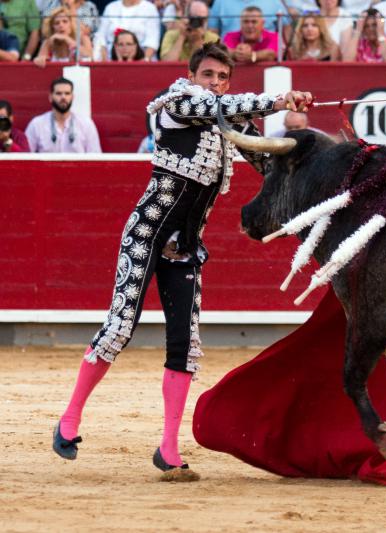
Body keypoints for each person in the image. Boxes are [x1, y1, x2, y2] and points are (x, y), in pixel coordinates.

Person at [51, 42, 314, 475]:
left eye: (222, 77)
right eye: (208, 75)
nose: (214, 84)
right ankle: (70, 418)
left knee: (185, 346)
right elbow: (222, 107)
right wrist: (281, 97)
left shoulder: (226, 123)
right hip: (146, 234)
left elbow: (270, 162)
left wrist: (301, 139)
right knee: (119, 328)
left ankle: (168, 448)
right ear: (192, 75)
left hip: (186, 246)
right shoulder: (178, 102)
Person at [25, 78, 102, 153]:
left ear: (72, 97)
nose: (63, 97)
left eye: (67, 93)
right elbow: (25, 156)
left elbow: (96, 157)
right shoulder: (37, 124)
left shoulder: (86, 124)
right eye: (59, 93)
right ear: (50, 97)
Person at [94, 0, 161, 60]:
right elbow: (101, 36)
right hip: (111, 57)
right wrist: (104, 60)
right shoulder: (110, 7)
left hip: (140, 58)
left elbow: (152, 40)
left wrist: (144, 61)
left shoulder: (150, 8)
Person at [209, 0, 286, 36]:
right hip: (229, 59)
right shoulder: (220, 2)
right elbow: (212, 33)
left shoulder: (274, 1)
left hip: (268, 60)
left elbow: (286, 30)